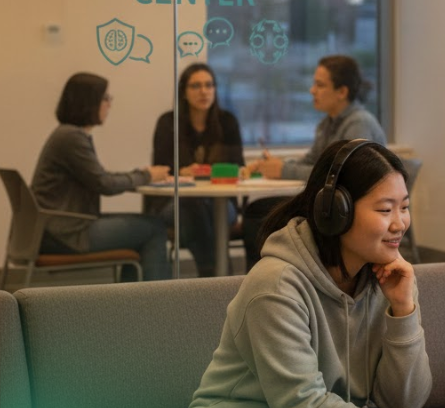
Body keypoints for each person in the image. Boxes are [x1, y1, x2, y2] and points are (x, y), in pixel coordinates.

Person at [183, 140, 445, 408]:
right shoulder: (276, 285)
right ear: (335, 211)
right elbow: (300, 406)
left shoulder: (384, 276)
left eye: (404, 207)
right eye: (385, 209)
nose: (400, 223)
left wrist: (403, 310)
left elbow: (404, 402)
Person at [242, 54, 387, 271]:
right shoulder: (328, 123)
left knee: (259, 212)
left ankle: (265, 273)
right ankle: (270, 271)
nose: (312, 91)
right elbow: (313, 161)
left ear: (342, 92)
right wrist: (276, 165)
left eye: (319, 85)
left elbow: (340, 176)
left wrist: (283, 170)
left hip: (348, 206)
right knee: (259, 209)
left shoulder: (359, 123)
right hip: (332, 201)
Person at [31, 72, 171, 281]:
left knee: (149, 224)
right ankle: (152, 299)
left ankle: (137, 299)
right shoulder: (71, 137)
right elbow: (104, 184)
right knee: (154, 229)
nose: (109, 104)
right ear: (88, 102)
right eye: (105, 98)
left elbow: (99, 177)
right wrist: (146, 175)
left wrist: (143, 175)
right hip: (66, 233)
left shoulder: (69, 134)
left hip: (56, 228)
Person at [150, 63, 245, 277]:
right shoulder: (169, 123)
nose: (204, 91)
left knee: (206, 209)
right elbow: (160, 170)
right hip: (176, 203)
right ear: (184, 92)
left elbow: (239, 167)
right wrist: (180, 172)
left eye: (209, 85)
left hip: (221, 202)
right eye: (196, 86)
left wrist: (215, 172)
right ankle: (217, 276)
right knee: (194, 206)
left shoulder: (227, 122)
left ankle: (210, 280)